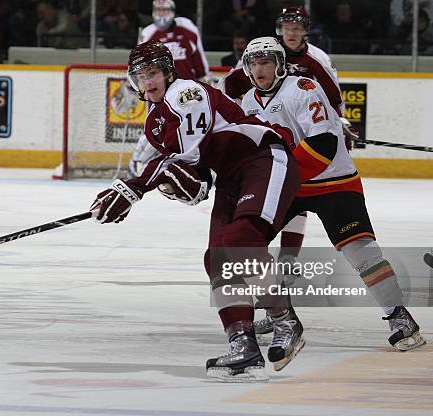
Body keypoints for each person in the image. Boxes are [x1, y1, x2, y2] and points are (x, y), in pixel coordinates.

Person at [91, 39, 305, 381]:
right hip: (232, 178)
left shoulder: (186, 93)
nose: (148, 82)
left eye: (153, 73)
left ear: (167, 73)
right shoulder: (153, 123)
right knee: (217, 257)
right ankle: (243, 345)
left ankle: (286, 321)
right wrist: (181, 187)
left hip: (261, 158)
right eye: (140, 76)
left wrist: (132, 187)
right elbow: (195, 179)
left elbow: (185, 155)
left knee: (240, 239)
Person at [240, 37, 426, 352]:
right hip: (290, 184)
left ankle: (399, 317)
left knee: (362, 253)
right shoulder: (247, 101)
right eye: (255, 63)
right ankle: (280, 314)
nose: (260, 69)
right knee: (246, 241)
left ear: (280, 65)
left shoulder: (302, 90)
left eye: (266, 62)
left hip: (332, 181)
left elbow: (324, 145)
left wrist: (278, 178)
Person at [218, 6, 358, 279]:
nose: (291, 33)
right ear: (279, 30)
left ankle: (289, 258)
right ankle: (285, 263)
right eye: (287, 28)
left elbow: (332, 94)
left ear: (306, 31)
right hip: (278, 124)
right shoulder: (262, 52)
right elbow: (231, 85)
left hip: (309, 130)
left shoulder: (317, 58)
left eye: (297, 28)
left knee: (296, 190)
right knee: (289, 192)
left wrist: (337, 121)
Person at [128, 0, 212, 179]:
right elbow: (137, 64)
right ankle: (136, 165)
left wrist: (205, 81)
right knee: (155, 128)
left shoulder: (188, 28)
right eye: (158, 10)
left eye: (165, 10)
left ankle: (198, 168)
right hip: (158, 92)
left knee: (193, 130)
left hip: (188, 93)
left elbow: (200, 62)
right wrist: (135, 86)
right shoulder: (149, 32)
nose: (161, 14)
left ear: (173, 11)